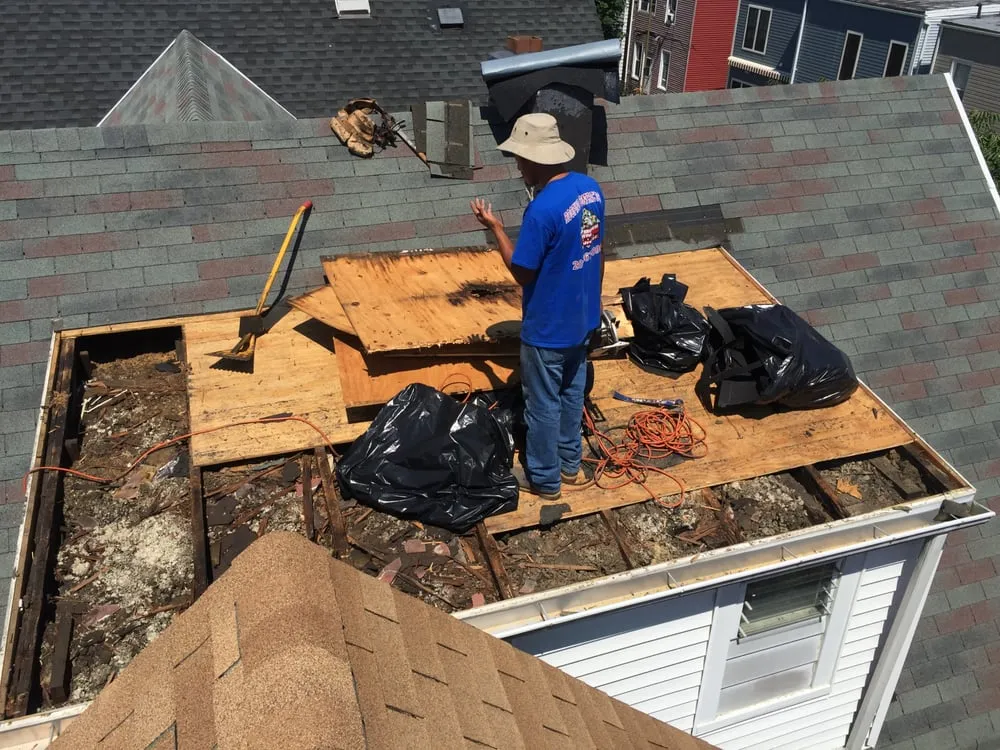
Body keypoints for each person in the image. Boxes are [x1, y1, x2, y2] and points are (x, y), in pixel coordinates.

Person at [471, 113, 604, 501]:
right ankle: (571, 465)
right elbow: (595, 255)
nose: (517, 165)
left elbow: (522, 273)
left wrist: (495, 229)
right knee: (570, 393)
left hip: (548, 329)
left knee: (542, 404)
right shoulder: (590, 191)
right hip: (582, 320)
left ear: (535, 159)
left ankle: (545, 480)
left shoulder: (542, 211)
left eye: (520, 158)